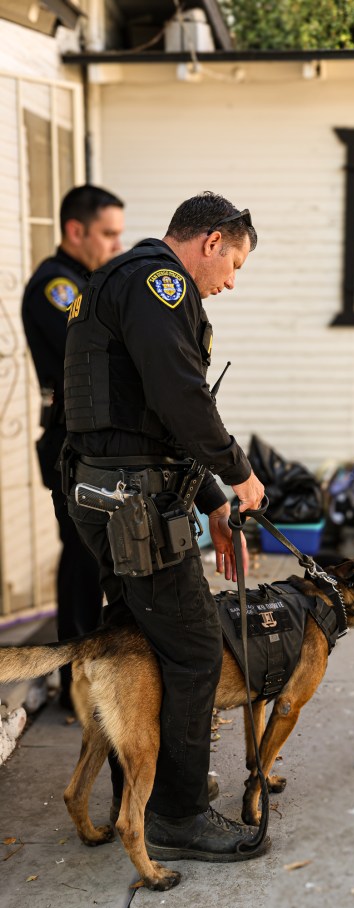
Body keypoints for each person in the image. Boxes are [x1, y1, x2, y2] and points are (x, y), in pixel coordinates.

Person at [63, 191, 269, 861]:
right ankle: (179, 819)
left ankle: (143, 803)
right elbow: (179, 392)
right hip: (135, 508)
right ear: (211, 242)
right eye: (233, 263)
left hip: (113, 493)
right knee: (195, 651)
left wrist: (206, 489)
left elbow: (145, 407)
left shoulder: (129, 279)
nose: (230, 281)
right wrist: (237, 473)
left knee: (139, 648)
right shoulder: (161, 284)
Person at [21, 184, 125, 708]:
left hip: (85, 441)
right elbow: (91, 349)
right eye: (107, 234)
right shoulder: (55, 287)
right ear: (75, 231)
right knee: (83, 559)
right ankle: (76, 686)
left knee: (91, 556)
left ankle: (87, 678)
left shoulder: (87, 279)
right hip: (67, 442)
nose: (115, 244)